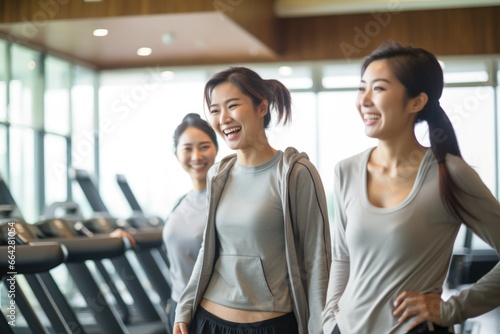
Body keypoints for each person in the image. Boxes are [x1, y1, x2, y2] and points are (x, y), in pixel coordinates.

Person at [322, 40, 500, 334]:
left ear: (416, 101)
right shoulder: (346, 170)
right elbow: (342, 257)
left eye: (378, 88)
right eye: (361, 87)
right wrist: (330, 322)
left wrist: (453, 309)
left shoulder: (450, 174)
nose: (364, 99)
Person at [173, 66, 331, 334]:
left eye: (232, 106)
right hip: (208, 320)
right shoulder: (218, 175)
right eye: (214, 110)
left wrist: (322, 329)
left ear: (262, 108)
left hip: (271, 324)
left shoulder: (295, 173)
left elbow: (317, 260)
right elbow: (208, 250)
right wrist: (185, 308)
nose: (223, 118)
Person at [162, 113, 219, 330]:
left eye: (204, 146)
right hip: (176, 307)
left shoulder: (223, 199)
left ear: (216, 149)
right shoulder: (180, 202)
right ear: (176, 154)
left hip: (209, 310)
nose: (196, 156)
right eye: (187, 148)